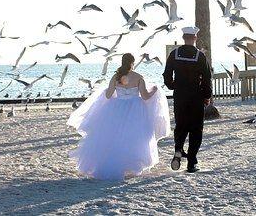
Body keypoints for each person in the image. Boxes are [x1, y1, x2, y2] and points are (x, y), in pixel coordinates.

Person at [67, 53, 171, 180]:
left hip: (117, 108)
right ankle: (131, 164)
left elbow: (109, 95)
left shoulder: (116, 77)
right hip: (135, 109)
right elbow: (145, 96)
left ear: (122, 62)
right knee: (133, 137)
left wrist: (110, 90)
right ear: (132, 63)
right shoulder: (138, 77)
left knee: (115, 137)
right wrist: (154, 90)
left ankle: (115, 163)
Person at [163, 26, 212, 173]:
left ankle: (178, 150)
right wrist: (207, 96)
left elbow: (166, 75)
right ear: (195, 38)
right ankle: (191, 163)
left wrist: (172, 86)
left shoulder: (174, 53)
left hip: (180, 96)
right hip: (196, 97)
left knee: (181, 126)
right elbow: (207, 78)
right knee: (196, 129)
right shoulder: (200, 56)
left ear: (184, 38)